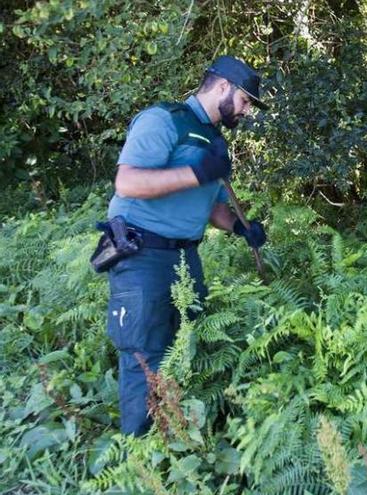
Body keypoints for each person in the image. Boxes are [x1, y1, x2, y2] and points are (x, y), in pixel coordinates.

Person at [104, 55, 268, 436]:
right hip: (142, 254)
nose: (246, 111)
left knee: (184, 346)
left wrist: (240, 228)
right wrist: (197, 172)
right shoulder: (163, 120)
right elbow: (127, 183)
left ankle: (177, 439)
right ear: (223, 86)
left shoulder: (214, 139)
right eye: (245, 101)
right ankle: (139, 452)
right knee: (145, 353)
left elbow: (208, 204)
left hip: (185, 257)